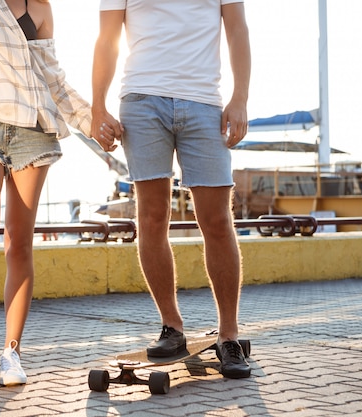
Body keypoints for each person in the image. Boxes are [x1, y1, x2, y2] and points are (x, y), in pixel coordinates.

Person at [0, 0, 120, 386]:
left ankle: (12, 353)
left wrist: (94, 121)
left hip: (34, 130)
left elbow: (53, 79)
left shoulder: (41, 7)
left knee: (19, 242)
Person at [92, 0, 252, 378]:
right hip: (141, 102)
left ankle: (228, 334)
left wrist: (240, 97)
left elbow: (238, 31)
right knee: (150, 217)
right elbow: (107, 38)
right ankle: (172, 327)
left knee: (216, 219)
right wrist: (97, 106)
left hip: (204, 103)